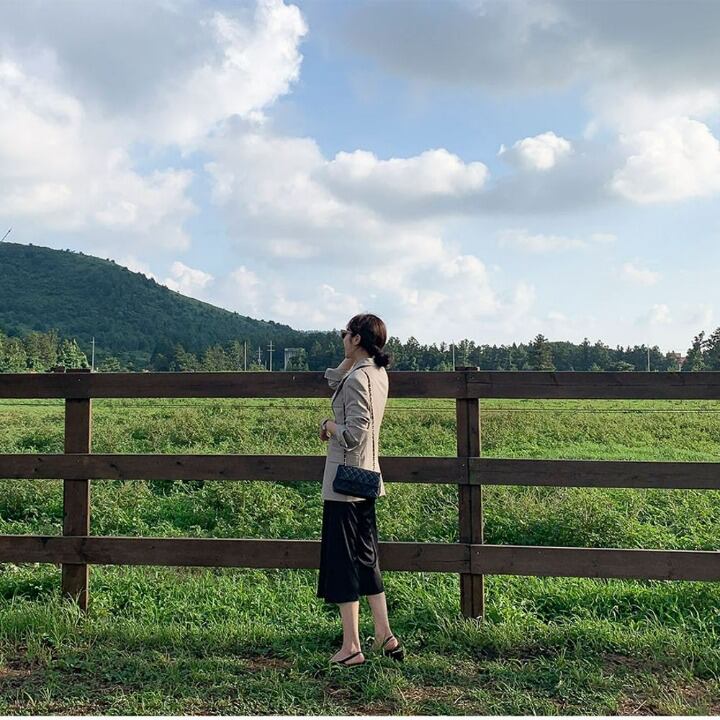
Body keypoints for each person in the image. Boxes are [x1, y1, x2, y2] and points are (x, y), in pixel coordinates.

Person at [317, 313, 404, 667]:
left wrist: (329, 426)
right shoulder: (376, 374)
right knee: (367, 558)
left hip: (344, 482)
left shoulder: (357, 380)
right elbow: (332, 380)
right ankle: (385, 634)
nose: (341, 338)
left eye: (345, 333)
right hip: (368, 478)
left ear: (356, 338)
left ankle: (351, 646)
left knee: (342, 562)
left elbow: (355, 434)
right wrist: (352, 356)